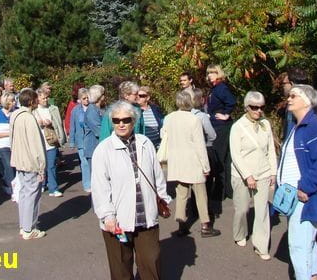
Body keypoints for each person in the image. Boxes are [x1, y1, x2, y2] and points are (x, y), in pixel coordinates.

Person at [92, 100, 171, 280]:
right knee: (120, 269)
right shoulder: (103, 150)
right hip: (118, 221)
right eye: (116, 120)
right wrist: (107, 216)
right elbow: (100, 187)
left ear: (133, 121)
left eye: (126, 120)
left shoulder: (145, 143)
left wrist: (162, 197)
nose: (121, 124)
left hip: (145, 217)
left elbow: (157, 174)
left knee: (151, 264)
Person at [277, 84, 317, 280]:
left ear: (307, 101)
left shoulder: (314, 126)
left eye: (294, 96)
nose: (289, 99)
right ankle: (311, 276)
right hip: (293, 194)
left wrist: (306, 187)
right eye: (289, 95)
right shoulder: (297, 126)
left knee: (299, 245)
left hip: (304, 196)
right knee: (307, 242)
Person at [161, 90, 219, 238]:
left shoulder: (169, 118)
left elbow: (163, 136)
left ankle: (181, 224)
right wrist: (206, 166)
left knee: (181, 194)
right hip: (193, 162)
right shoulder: (194, 119)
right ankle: (205, 225)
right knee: (201, 194)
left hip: (176, 161)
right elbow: (200, 145)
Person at [230, 91, 277, 260]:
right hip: (242, 175)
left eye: (261, 107)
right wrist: (247, 175)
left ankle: (261, 246)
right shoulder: (237, 127)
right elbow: (236, 155)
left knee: (262, 211)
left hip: (263, 172)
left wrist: (273, 172)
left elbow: (270, 149)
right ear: (246, 107)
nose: (258, 111)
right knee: (242, 209)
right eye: (254, 107)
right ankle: (239, 234)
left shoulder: (265, 124)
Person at [10, 88, 47, 240]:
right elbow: (36, 145)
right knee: (32, 195)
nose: (38, 101)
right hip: (31, 162)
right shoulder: (29, 118)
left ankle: (24, 225)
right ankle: (29, 228)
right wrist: (41, 167)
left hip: (19, 160)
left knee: (24, 194)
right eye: (36, 99)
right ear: (31, 101)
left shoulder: (15, 115)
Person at [206, 64, 237, 202]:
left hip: (221, 127)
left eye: (213, 73)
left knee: (220, 159)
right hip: (216, 125)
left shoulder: (221, 88)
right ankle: (226, 190)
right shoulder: (214, 88)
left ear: (218, 74)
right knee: (223, 159)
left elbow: (231, 101)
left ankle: (221, 191)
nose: (210, 75)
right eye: (208, 73)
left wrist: (226, 114)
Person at [34, 85, 67, 197]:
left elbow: (59, 124)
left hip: (51, 141)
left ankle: (53, 188)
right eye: (43, 98)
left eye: (47, 98)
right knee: (40, 166)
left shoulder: (53, 109)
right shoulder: (33, 111)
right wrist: (38, 123)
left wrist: (51, 123)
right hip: (38, 142)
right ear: (37, 99)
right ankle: (42, 184)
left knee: (51, 165)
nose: (45, 100)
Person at [0, 92, 16, 195]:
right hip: (2, 145)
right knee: (9, 166)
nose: (14, 102)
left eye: (14, 100)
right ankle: (13, 190)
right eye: (12, 101)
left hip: (14, 145)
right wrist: (10, 133)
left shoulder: (15, 113)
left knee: (15, 167)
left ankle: (9, 185)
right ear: (6, 102)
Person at [70, 87, 91, 192]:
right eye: (84, 98)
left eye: (88, 98)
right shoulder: (75, 110)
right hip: (81, 140)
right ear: (80, 99)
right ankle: (87, 184)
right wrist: (72, 142)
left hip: (91, 139)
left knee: (92, 162)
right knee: (84, 163)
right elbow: (72, 126)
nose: (86, 100)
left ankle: (95, 182)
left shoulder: (93, 108)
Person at [84, 85, 105, 169]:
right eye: (103, 94)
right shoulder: (92, 110)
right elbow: (99, 131)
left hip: (99, 148)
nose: (105, 96)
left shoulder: (100, 109)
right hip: (93, 149)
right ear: (99, 96)